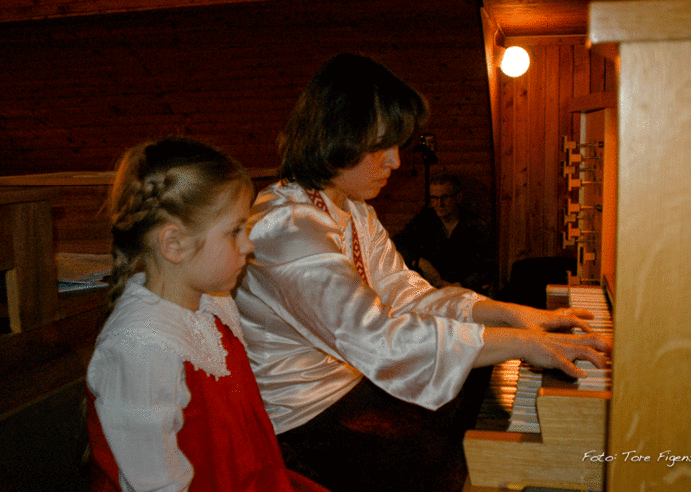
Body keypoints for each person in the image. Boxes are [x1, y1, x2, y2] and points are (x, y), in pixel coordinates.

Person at [236, 54, 610, 492]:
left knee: (473, 399)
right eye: (381, 146)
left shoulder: (352, 210)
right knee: (453, 460)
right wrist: (523, 344)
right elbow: (378, 339)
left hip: (351, 389)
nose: (395, 161)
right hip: (299, 420)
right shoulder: (286, 227)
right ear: (336, 138)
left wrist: (510, 315)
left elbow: (409, 295)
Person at [85, 137, 329, 492]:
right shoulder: (141, 347)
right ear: (173, 244)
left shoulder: (213, 303)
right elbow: (157, 484)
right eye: (234, 231)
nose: (248, 245)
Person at [392, 173, 496, 294]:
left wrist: (459, 285)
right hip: (428, 292)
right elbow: (396, 244)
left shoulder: (476, 226)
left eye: (445, 197)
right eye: (434, 198)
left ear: (458, 197)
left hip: (464, 293)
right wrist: (419, 261)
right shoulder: (424, 220)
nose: (439, 204)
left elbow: (487, 269)